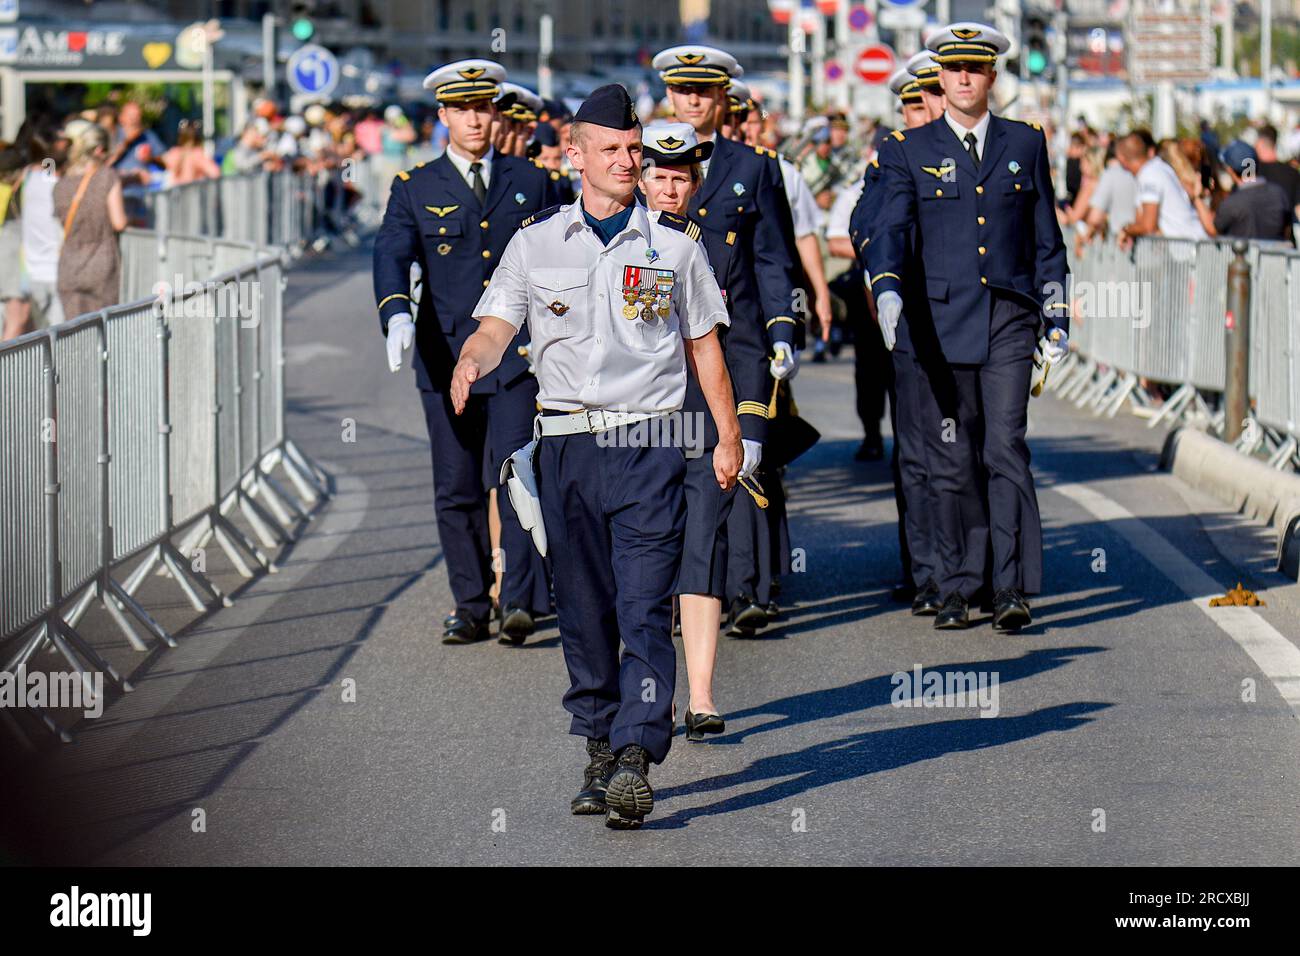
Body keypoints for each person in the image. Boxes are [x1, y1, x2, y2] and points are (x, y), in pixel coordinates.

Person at [455, 84, 739, 829]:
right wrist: (472, 358)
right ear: (575, 155)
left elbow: (706, 345)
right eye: (611, 149)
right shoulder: (537, 242)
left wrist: (729, 434)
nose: (627, 160)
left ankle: (637, 753)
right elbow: (496, 322)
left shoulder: (674, 248)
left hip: (650, 440)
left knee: (645, 605)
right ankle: (597, 747)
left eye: (633, 149)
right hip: (566, 444)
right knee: (583, 606)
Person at [868, 22, 1069, 631]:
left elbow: (1046, 239)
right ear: (942, 76)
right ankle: (955, 586)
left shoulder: (1025, 142)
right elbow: (892, 228)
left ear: (991, 76)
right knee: (952, 457)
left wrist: (1055, 312)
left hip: (1008, 314)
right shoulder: (909, 147)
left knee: (1005, 447)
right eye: (953, 68)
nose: (963, 78)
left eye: (975, 68)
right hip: (936, 320)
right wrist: (887, 288)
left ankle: (1010, 586)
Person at [373, 59, 558, 645]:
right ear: (445, 116)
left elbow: (559, 258)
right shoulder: (416, 186)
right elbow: (391, 253)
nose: (476, 120)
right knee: (456, 486)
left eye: (484, 108)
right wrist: (396, 312)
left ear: (494, 113)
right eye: (464, 110)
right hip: (445, 357)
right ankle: (471, 602)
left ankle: (520, 600)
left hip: (517, 357)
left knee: (517, 475)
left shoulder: (531, 181)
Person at [651, 43, 804, 635]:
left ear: (722, 98)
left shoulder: (755, 167)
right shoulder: (642, 162)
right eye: (683, 89)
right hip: (664, 348)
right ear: (668, 95)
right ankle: (674, 596)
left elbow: (773, 260)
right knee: (668, 475)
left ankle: (742, 592)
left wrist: (783, 331)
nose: (693, 99)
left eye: (704, 90)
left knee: (738, 462)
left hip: (738, 343)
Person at [640, 121, 762, 742]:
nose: (668, 188)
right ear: (640, 179)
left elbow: (737, 343)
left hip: (700, 421)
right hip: (632, 427)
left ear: (695, 183)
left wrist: (738, 428)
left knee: (701, 549)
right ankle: (650, 696)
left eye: (679, 178)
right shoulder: (613, 245)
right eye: (658, 176)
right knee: (642, 558)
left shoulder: (716, 246)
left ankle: (704, 695)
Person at [841, 54, 948, 615]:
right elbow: (863, 222)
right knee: (918, 453)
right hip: (913, 324)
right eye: (911, 101)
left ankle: (976, 571)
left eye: (931, 96)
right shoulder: (892, 157)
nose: (924, 108)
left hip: (974, 326)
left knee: (972, 452)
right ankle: (926, 571)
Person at [52, 123, 127, 321]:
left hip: (69, 265)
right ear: (100, 150)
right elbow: (119, 222)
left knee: (74, 334)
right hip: (101, 264)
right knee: (104, 331)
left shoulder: (61, 184)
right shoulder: (107, 177)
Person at [1116, 131, 1209, 248]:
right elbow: (1141, 219)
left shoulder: (1149, 174)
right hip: (1192, 245)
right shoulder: (1157, 166)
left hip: (1190, 249)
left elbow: (1148, 226)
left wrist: (1125, 230)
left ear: (1121, 158)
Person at [1212, 140, 1295, 243]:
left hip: (1241, 258)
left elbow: (1214, 230)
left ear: (1230, 170)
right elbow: (1287, 230)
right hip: (1275, 258)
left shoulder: (1231, 203)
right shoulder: (1279, 193)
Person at [1254, 124, 1300, 230]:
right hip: (1285, 239)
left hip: (1256, 239)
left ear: (1259, 143)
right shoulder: (1292, 173)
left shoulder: (1252, 173)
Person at [160, 120, 220, 187]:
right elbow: (215, 173)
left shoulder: (173, 153)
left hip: (174, 194)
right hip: (191, 193)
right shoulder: (197, 154)